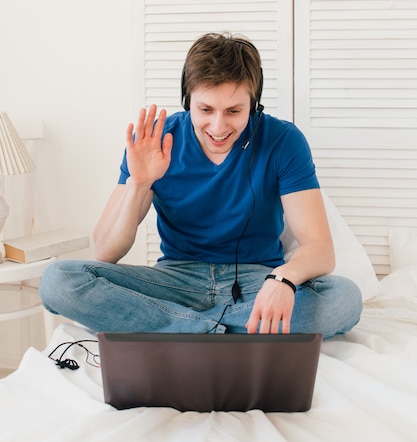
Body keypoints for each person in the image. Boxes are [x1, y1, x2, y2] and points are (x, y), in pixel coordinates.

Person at [40, 32, 362, 337]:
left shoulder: (283, 141)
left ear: (254, 103)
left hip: (256, 280)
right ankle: (222, 331)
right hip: (175, 280)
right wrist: (139, 183)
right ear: (187, 100)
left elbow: (320, 248)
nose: (218, 127)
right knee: (58, 281)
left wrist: (282, 280)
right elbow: (105, 251)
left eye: (234, 111)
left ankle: (176, 329)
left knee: (345, 299)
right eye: (205, 109)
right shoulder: (156, 140)